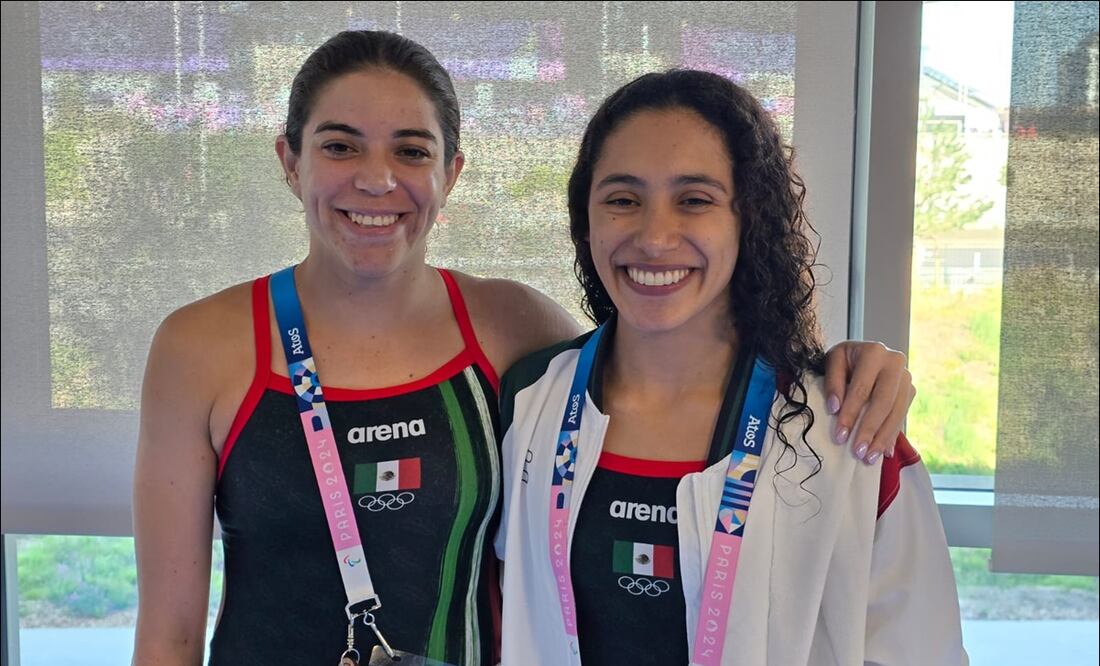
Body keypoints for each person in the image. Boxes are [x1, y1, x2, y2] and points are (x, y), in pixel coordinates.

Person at [132, 31, 916, 665]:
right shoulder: (200, 348)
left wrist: (847, 366)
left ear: (452, 174)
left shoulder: (511, 330)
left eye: (411, 150)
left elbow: (677, 351)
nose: (377, 179)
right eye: (340, 146)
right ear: (289, 160)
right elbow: (166, 639)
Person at [495, 69, 966, 665]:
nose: (654, 237)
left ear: (750, 220)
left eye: (695, 200)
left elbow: (921, 652)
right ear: (585, 219)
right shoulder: (529, 404)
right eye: (622, 200)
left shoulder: (850, 432)